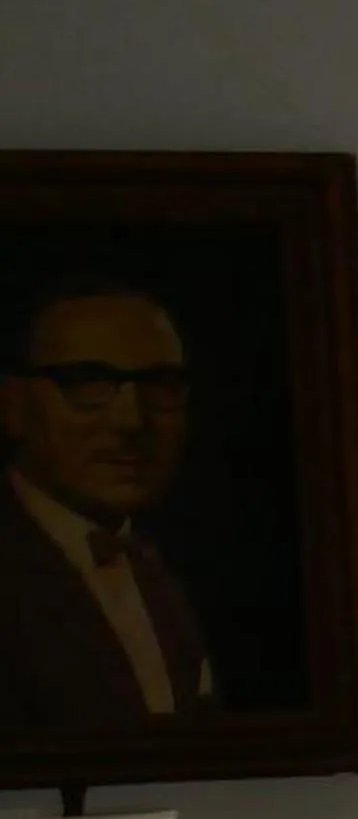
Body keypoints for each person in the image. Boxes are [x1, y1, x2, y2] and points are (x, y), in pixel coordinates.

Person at [0, 277, 215, 727]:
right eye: (87, 382)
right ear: (12, 405)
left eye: (161, 384)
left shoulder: (164, 570)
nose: (131, 421)